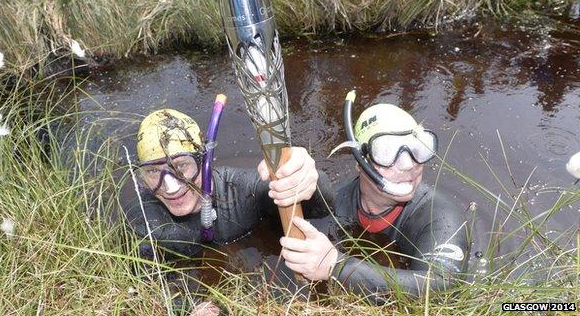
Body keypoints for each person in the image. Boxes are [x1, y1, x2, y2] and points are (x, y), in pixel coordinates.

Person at [279, 101, 469, 299]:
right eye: (386, 152)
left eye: (418, 148)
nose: (408, 165)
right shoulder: (338, 198)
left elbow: (443, 286)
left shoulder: (440, 214)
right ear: (360, 163)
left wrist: (336, 266)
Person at [119, 108, 332, 259]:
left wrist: (305, 179)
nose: (170, 187)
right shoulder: (143, 215)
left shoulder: (239, 191)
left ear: (205, 162)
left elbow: (322, 206)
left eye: (181, 166)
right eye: (154, 171)